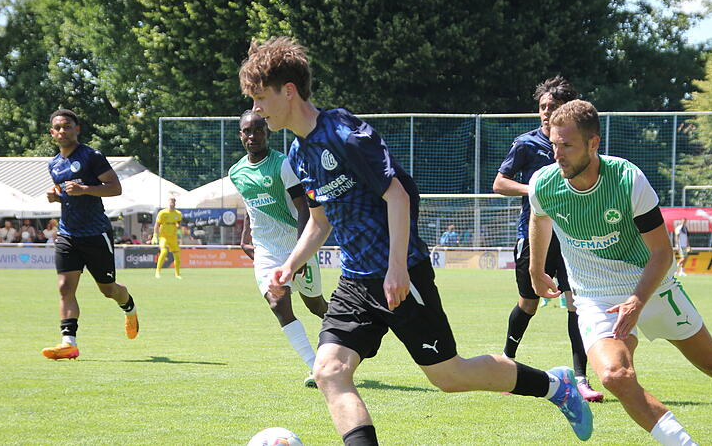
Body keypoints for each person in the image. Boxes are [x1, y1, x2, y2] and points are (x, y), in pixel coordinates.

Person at [240, 36, 593, 445]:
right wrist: (291, 263)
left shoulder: (344, 133)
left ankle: (555, 386)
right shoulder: (300, 155)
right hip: (356, 283)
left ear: (288, 91)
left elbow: (398, 196)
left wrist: (395, 269)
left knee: (450, 376)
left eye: (260, 98)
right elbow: (319, 222)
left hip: (401, 274)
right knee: (329, 371)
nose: (257, 110)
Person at [528, 100, 712, 446]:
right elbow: (539, 217)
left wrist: (636, 300)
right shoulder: (544, 184)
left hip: (652, 287)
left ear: (593, 143)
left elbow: (662, 253)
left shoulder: (626, 179)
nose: (557, 154)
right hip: (596, 298)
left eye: (567, 145)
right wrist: (535, 266)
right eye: (554, 143)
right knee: (614, 376)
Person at [493, 76, 603, 402]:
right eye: (542, 107)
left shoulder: (579, 145)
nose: (545, 112)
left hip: (572, 238)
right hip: (534, 236)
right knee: (528, 304)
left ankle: (582, 379)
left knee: (575, 304)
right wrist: (537, 191)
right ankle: (507, 365)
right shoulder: (526, 144)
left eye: (552, 107)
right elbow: (500, 183)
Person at [231, 110, 329, 387]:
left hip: (297, 247)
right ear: (240, 135)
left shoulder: (284, 165)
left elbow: (304, 210)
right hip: (266, 252)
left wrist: (300, 255)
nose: (253, 135)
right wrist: (245, 236)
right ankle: (316, 368)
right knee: (277, 303)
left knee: (317, 306)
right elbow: (250, 206)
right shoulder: (236, 172)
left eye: (258, 130)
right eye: (247, 131)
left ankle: (350, 335)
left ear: (267, 133)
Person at [41, 109, 138, 360]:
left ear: (77, 129)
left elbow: (115, 188)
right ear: (52, 133)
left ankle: (129, 307)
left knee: (108, 290)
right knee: (65, 287)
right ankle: (68, 343)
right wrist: (56, 197)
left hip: (96, 233)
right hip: (67, 234)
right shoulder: (54, 164)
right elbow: (65, 195)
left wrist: (84, 188)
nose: (62, 131)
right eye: (58, 128)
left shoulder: (92, 156)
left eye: (67, 126)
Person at [152, 197, 183, 279]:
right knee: (164, 252)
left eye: (173, 202)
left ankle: (177, 274)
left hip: (173, 237)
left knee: (177, 255)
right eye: (171, 202)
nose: (172, 203)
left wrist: (180, 235)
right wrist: (155, 236)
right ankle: (157, 272)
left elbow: (179, 226)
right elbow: (157, 225)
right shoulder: (162, 213)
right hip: (164, 236)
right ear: (168, 203)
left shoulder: (178, 214)